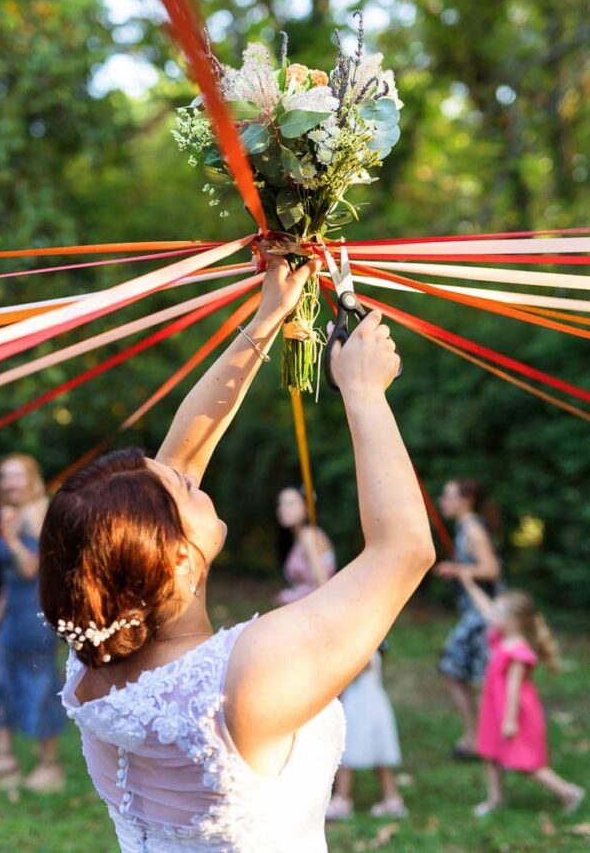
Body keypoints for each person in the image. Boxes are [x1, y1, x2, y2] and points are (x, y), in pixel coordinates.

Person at [39, 253, 435, 853]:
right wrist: (362, 391)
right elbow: (403, 551)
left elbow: (179, 458)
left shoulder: (95, 659)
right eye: (181, 489)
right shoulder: (243, 679)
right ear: (175, 560)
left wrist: (268, 316)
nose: (187, 471)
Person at [0, 454, 65, 792]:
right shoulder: (13, 513)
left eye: (16, 476)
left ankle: (49, 765)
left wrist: (8, 535)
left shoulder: (43, 515)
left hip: (38, 613)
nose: (9, 484)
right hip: (12, 613)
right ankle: (4, 759)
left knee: (38, 683)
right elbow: (11, 578)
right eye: (4, 477)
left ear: (32, 478)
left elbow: (30, 569)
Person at [455, 568, 584, 816]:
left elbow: (514, 689)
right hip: (494, 708)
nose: (490, 615)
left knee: (525, 762)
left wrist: (510, 721)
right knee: (488, 753)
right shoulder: (498, 637)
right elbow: (484, 608)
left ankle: (568, 792)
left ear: (512, 621)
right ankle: (495, 799)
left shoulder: (517, 650)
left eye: (496, 613)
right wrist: (468, 583)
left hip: (513, 713)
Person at [434, 478, 501, 759]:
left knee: (458, 668)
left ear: (466, 500)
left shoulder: (472, 529)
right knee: (464, 672)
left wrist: (459, 570)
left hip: (483, 613)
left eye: (448, 496)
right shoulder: (465, 527)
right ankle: (478, 738)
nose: (442, 501)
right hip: (475, 613)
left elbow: (491, 570)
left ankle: (483, 739)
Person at [326, 642, 406, 821]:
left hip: (361, 708)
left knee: (348, 754)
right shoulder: (367, 646)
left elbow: (358, 669)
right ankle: (391, 797)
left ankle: (343, 798)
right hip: (371, 706)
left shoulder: (364, 648)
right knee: (377, 756)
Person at [274, 486, 335, 605]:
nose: (283, 508)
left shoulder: (309, 536)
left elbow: (322, 583)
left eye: (291, 503)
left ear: (306, 507)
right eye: (281, 503)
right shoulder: (300, 538)